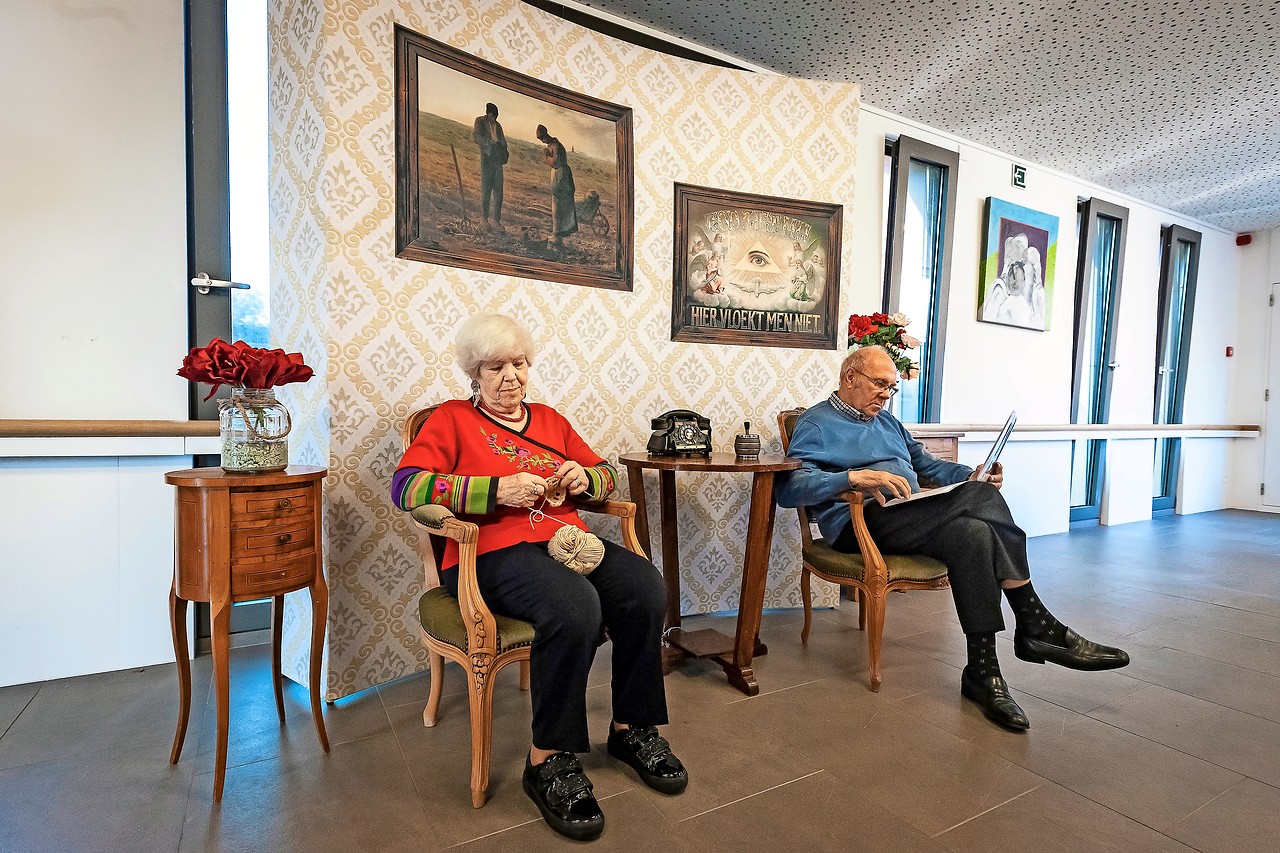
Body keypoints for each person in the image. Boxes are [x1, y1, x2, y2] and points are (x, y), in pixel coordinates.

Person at [393, 314, 686, 840]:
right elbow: (407, 489)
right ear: (474, 374)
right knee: (575, 607)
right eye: (495, 366)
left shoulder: (550, 419)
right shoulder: (452, 421)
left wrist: (584, 476)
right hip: (491, 551)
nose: (511, 376)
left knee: (645, 588)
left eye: (519, 363)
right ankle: (547, 757)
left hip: (563, 541)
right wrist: (493, 492)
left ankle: (631, 728)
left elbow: (604, 474)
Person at [775, 345, 1130, 731]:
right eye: (880, 384)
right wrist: (854, 478)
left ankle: (983, 673)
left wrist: (973, 473)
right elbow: (790, 490)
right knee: (981, 503)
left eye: (891, 388)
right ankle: (1035, 622)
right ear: (850, 378)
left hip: (905, 516)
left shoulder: (889, 423)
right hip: (857, 526)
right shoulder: (816, 422)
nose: (885, 395)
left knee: (972, 532)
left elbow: (928, 467)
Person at [536, 124, 577, 247]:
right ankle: (557, 233)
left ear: (545, 135)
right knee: (557, 205)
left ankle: (558, 235)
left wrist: (547, 156)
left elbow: (555, 163)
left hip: (561, 178)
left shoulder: (556, 146)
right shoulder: (553, 145)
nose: (542, 141)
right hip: (560, 176)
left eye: (541, 138)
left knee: (559, 206)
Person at [472, 103, 508, 231]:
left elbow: (503, 139)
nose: (494, 119)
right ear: (488, 114)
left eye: (496, 117)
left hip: (497, 159)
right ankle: (484, 219)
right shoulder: (480, 121)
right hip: (487, 158)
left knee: (499, 191)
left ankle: (496, 220)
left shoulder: (498, 125)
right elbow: (476, 137)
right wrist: (489, 142)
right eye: (493, 116)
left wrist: (502, 146)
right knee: (486, 189)